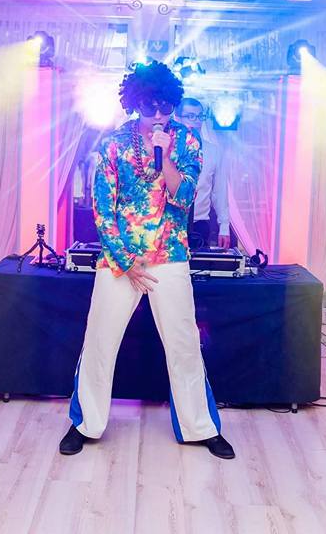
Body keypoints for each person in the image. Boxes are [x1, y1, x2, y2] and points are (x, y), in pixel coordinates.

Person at [58, 61, 234, 460]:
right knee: (99, 341)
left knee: (184, 343)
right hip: (121, 259)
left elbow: (184, 199)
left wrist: (165, 156)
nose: (158, 115)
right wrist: (125, 261)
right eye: (149, 107)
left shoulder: (187, 141)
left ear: (173, 103)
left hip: (169, 255)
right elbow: (103, 209)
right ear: (135, 104)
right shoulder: (112, 144)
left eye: (165, 107)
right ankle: (85, 423)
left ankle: (200, 427)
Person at [175, 97, 231, 250]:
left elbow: (219, 192)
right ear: (177, 118)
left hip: (199, 223)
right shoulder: (168, 149)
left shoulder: (213, 151)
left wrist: (224, 226)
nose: (197, 121)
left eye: (200, 116)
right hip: (169, 221)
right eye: (191, 116)